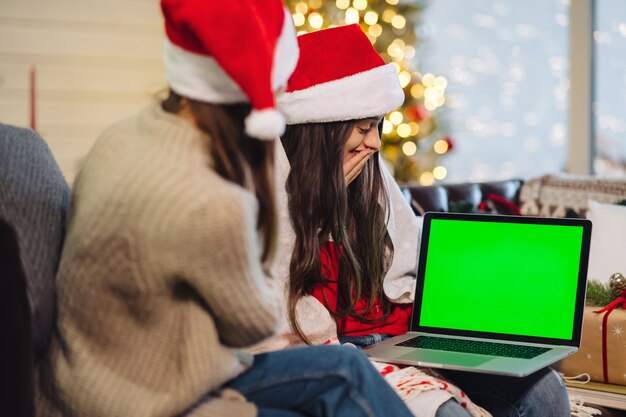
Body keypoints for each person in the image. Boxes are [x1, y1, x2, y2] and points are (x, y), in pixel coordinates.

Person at [34, 3, 415, 417]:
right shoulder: (212, 194)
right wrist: (272, 210)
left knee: (345, 364)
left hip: (78, 374)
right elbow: (253, 324)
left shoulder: (121, 137)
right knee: (344, 370)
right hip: (149, 394)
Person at [266, 24, 570, 417]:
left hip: (404, 338)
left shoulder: (368, 177)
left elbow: (410, 262)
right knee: (444, 411)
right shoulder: (267, 207)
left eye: (377, 127)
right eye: (363, 129)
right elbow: (279, 324)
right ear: (323, 134)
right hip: (349, 356)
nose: (375, 142)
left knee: (544, 390)